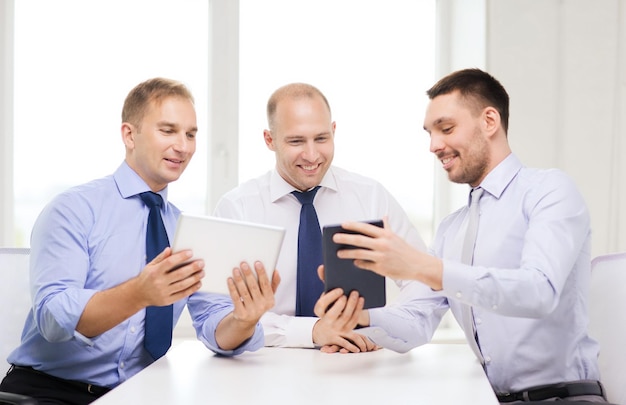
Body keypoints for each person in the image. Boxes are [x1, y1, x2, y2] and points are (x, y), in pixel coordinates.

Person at [327, 68, 606, 403]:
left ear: (490, 121)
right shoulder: (452, 228)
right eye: (429, 133)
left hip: (562, 399)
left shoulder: (549, 190)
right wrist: (358, 316)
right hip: (490, 398)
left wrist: (421, 266)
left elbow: (538, 291)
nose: (433, 145)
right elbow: (417, 320)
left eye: (446, 129)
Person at [0, 78, 278, 404]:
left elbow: (214, 326)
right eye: (168, 131)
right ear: (129, 135)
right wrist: (138, 293)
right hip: (48, 391)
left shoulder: (185, 230)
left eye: (190, 134)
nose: (183, 146)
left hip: (135, 394)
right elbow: (53, 318)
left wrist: (244, 319)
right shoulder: (73, 209)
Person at [213, 82, 429, 353]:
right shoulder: (238, 209)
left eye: (321, 139)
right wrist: (313, 331)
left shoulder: (371, 197)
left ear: (334, 131)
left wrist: (374, 325)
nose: (312, 155)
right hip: (267, 372)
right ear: (270, 140)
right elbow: (223, 316)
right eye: (296, 141)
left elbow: (424, 281)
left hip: (358, 364)